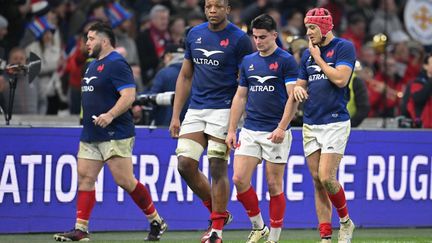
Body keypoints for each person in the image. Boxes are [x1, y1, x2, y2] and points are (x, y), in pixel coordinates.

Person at [53, 22, 167, 242]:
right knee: (85, 178)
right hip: (91, 132)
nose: (87, 43)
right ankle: (81, 229)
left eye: (91, 38)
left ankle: (156, 220)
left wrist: (110, 115)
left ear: (104, 41)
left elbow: (128, 95)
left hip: (115, 132)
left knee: (125, 181)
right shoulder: (92, 65)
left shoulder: (117, 63)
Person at [169, 0, 253, 242]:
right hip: (196, 109)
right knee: (185, 164)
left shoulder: (239, 39)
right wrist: (176, 115)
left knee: (217, 166)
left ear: (228, 9)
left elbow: (244, 81)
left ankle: (216, 231)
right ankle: (219, 214)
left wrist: (237, 119)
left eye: (218, 6)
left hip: (224, 110)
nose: (212, 10)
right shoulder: (194, 34)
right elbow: (185, 76)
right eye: (208, 6)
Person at [226, 14, 298, 243]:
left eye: (263, 37)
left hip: (275, 131)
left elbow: (293, 97)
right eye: (255, 37)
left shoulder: (286, 61)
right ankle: (259, 227)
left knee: (274, 185)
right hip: (250, 129)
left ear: (275, 35)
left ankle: (273, 239)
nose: (258, 41)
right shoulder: (248, 61)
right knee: (238, 179)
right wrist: (231, 130)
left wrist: (282, 128)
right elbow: (240, 96)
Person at [292, 8, 356, 243]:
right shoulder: (307, 55)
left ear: (325, 27)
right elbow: (299, 85)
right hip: (311, 123)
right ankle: (326, 237)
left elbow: (340, 80)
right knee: (317, 182)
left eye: (312, 27)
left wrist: (319, 58)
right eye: (307, 27)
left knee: (327, 177)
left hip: (335, 122)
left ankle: (346, 222)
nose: (308, 32)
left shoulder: (343, 48)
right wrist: (297, 88)